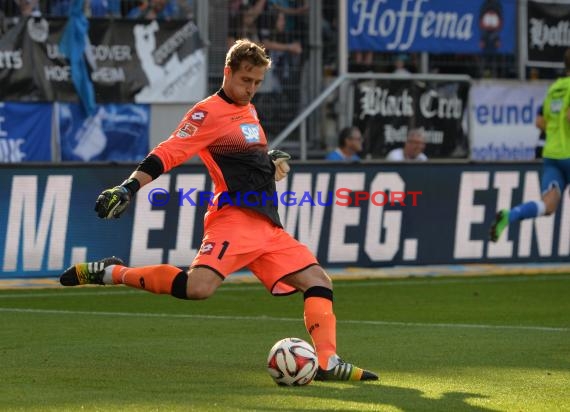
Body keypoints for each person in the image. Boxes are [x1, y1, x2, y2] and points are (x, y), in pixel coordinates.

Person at [59, 39, 378, 382]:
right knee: (198, 288)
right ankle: (112, 272)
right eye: (245, 81)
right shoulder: (207, 112)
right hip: (234, 218)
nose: (251, 89)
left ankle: (327, 362)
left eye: (257, 83)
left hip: (267, 224)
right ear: (228, 72)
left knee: (318, 281)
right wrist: (129, 186)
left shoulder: (250, 111)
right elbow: (170, 151)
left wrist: (272, 163)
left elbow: (246, 160)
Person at [489, 49, 570, 242]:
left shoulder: (555, 88)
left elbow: (539, 121)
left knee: (548, 205)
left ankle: (511, 215)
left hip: (552, 155)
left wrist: (556, 128)